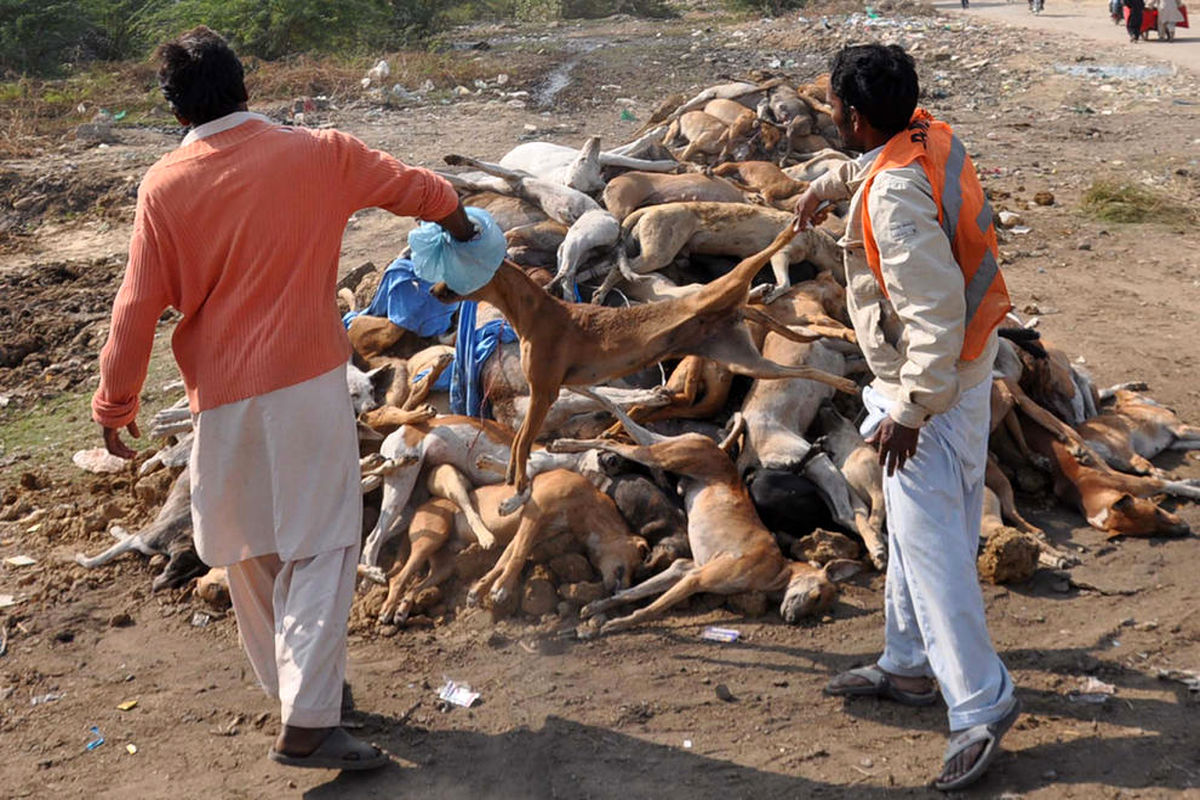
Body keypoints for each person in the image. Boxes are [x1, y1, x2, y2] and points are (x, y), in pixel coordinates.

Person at [92, 26, 474, 770]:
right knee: (324, 543)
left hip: (220, 399)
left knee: (250, 549)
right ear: (247, 86)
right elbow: (423, 190)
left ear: (175, 113)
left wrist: (116, 403)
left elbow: (136, 307)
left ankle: (301, 691)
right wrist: (462, 226)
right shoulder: (318, 153)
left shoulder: (164, 187)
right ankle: (308, 721)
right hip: (304, 385)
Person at [792, 44, 1020, 792]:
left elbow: (933, 312)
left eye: (832, 105)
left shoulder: (891, 197)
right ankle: (909, 666)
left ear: (853, 117)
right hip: (964, 360)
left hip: (937, 380)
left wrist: (915, 409)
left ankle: (981, 705)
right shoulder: (928, 135)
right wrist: (830, 186)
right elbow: (881, 167)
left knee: (933, 545)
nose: (828, 113)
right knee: (915, 517)